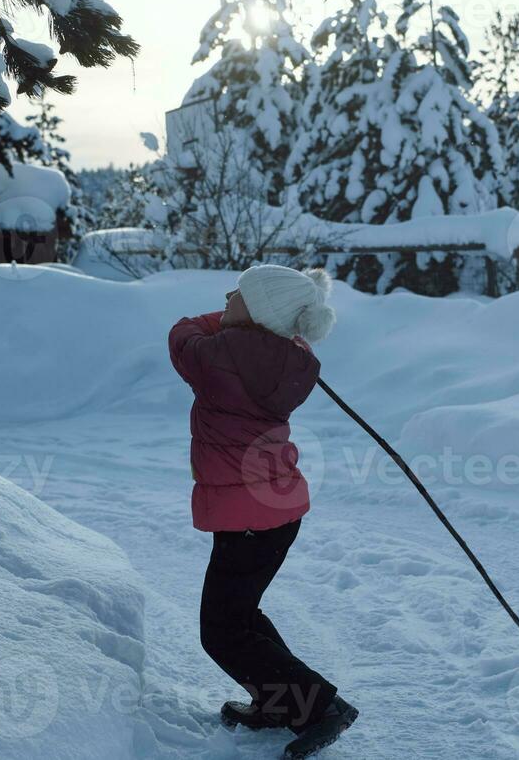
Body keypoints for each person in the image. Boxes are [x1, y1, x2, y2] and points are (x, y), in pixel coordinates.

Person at [167, 265, 359, 759]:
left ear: (255, 312)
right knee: (241, 616)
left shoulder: (221, 354)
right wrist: (256, 317)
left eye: (239, 293)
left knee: (223, 631)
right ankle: (278, 702)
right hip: (274, 511)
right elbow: (237, 331)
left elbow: (182, 335)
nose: (228, 295)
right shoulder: (296, 358)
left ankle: (322, 707)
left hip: (248, 516)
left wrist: (234, 318)